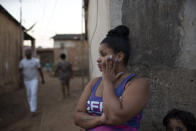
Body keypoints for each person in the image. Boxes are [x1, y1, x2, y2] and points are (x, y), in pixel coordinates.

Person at [74, 25, 149, 130]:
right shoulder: (94, 83)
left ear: (119, 56)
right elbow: (77, 117)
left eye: (103, 55)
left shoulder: (137, 84)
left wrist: (108, 82)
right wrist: (100, 120)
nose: (98, 60)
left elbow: (115, 117)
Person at [19, 49, 45, 116]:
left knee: (33, 93)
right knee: (29, 94)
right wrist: (21, 78)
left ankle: (33, 110)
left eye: (29, 52)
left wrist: (43, 79)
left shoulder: (36, 61)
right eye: (26, 53)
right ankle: (31, 107)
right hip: (26, 80)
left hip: (34, 80)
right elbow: (20, 70)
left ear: (31, 53)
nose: (28, 54)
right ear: (25, 54)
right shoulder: (22, 62)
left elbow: (40, 70)